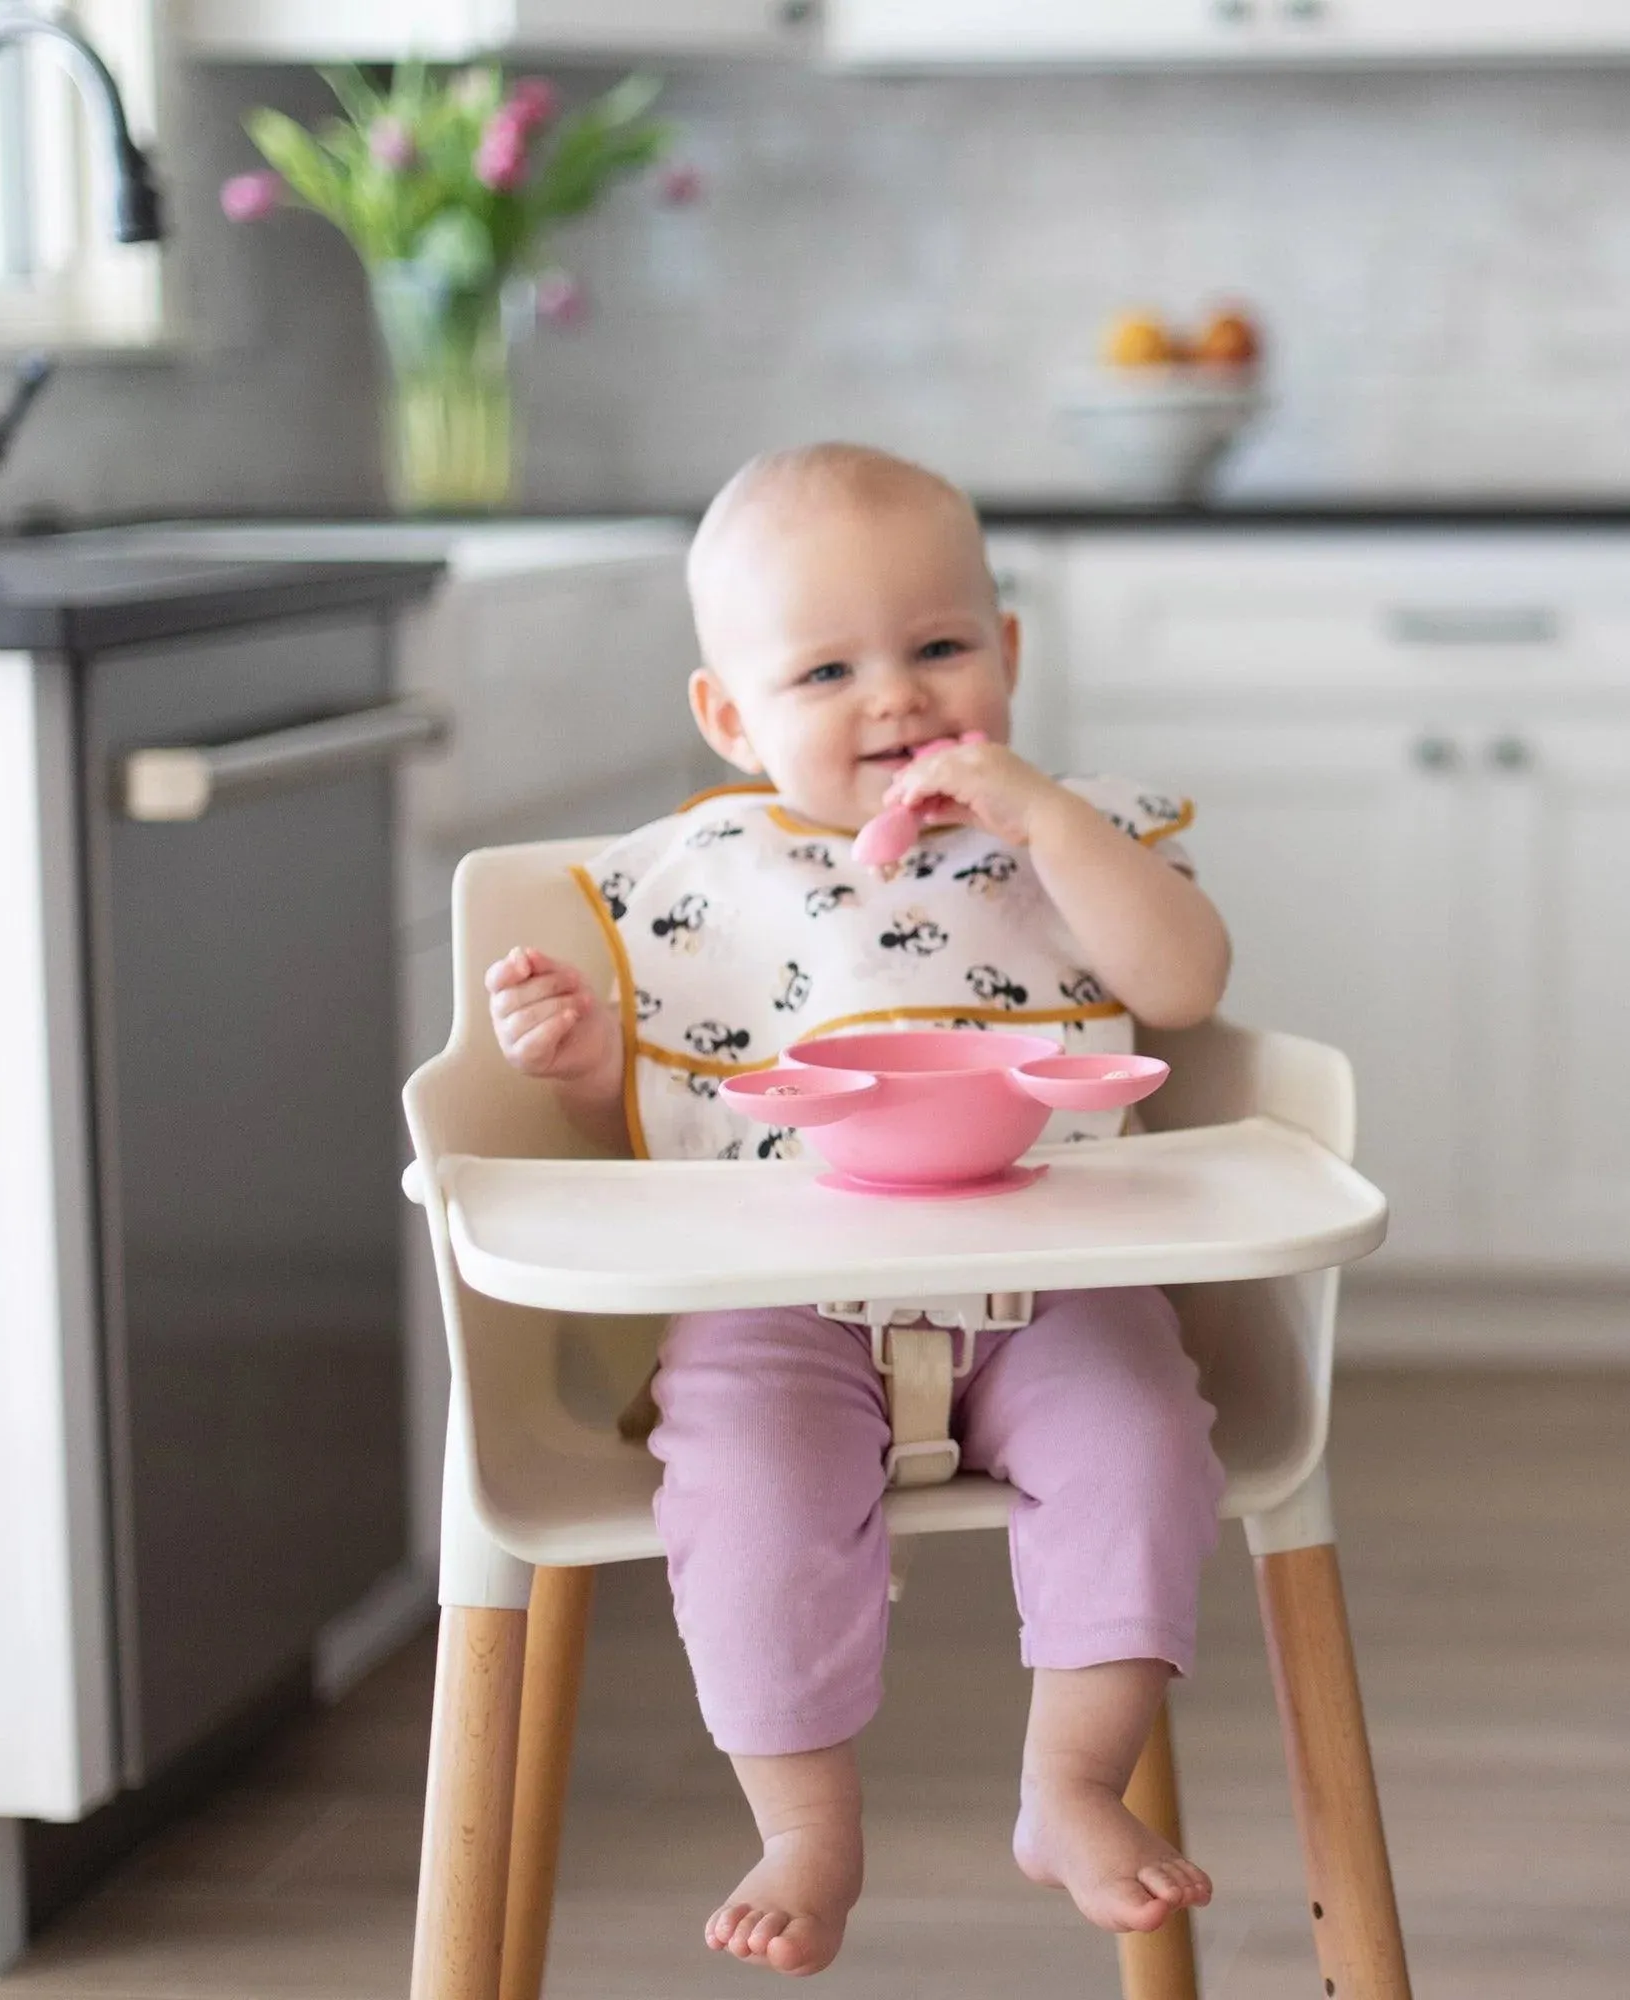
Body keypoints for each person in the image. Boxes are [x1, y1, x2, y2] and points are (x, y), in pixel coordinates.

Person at [485, 443, 1233, 1976]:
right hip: (781, 1305)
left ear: (1009, 655)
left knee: (1146, 1440)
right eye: (827, 668)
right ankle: (805, 1824)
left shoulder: (1063, 839)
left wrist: (1043, 823)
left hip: (1057, 1281)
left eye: (941, 648)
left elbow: (1183, 987)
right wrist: (575, 1066)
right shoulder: (704, 883)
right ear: (728, 713)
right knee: (740, 1493)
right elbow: (649, 1126)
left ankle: (1072, 1781)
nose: (897, 699)